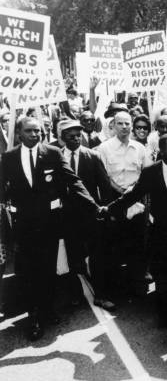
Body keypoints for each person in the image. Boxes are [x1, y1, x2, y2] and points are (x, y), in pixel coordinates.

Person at [0, 117, 102, 340]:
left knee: (48, 268)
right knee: (27, 271)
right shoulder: (8, 158)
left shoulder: (53, 154)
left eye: (38, 131)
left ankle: (46, 309)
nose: (35, 135)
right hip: (24, 225)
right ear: (18, 133)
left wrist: (93, 205)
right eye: (29, 131)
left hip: (49, 223)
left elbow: (73, 181)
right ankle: (33, 316)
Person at [108, 134, 167, 330]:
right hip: (162, 235)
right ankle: (165, 316)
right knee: (164, 277)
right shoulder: (151, 172)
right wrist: (109, 209)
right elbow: (134, 194)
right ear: (161, 152)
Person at [60, 119, 115, 311]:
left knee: (97, 256)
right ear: (62, 137)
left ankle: (101, 294)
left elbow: (105, 187)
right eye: (70, 135)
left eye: (78, 135)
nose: (75, 138)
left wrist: (106, 210)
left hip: (91, 215)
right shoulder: (55, 157)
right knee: (73, 256)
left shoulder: (92, 156)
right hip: (66, 216)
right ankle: (75, 294)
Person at [96, 111, 149, 301]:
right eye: (120, 124)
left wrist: (134, 193)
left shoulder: (139, 148)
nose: (125, 127)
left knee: (138, 246)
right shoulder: (104, 148)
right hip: (115, 202)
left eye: (128, 123)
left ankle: (138, 287)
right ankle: (118, 289)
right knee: (116, 247)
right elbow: (104, 177)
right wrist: (122, 193)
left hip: (137, 204)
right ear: (113, 126)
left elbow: (145, 174)